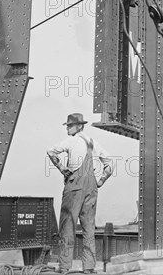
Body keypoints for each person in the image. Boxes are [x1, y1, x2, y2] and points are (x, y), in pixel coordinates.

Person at [47, 113, 113, 274]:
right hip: (92, 188)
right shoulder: (93, 142)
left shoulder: (71, 141)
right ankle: (89, 268)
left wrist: (62, 169)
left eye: (69, 126)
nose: (67, 129)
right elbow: (109, 163)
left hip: (74, 186)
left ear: (78, 126)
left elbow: (50, 151)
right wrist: (101, 181)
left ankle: (64, 267)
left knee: (67, 225)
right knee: (89, 227)